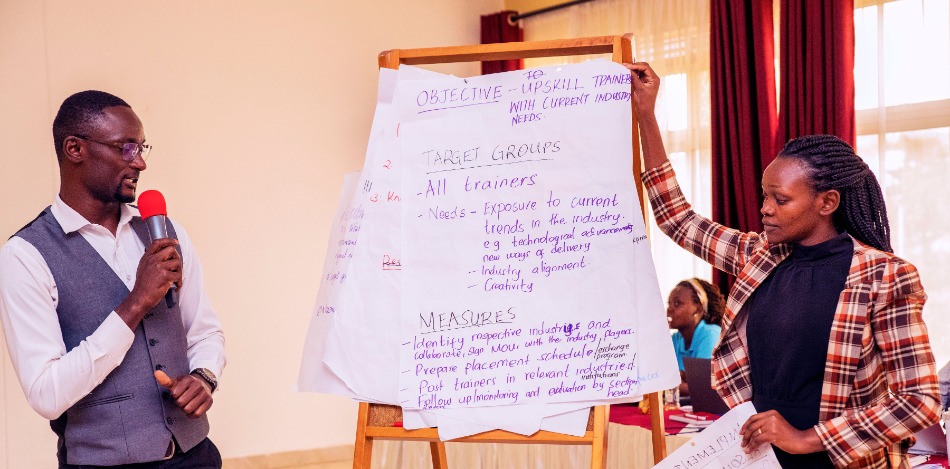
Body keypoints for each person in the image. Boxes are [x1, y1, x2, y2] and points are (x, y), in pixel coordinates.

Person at [626, 62, 941, 468]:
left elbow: (919, 400)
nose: (765, 209)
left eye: (780, 199)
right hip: (761, 459)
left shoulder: (885, 276)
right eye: (764, 196)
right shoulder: (759, 255)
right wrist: (646, 115)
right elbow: (678, 220)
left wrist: (808, 438)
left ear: (827, 202)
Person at [0, 90, 226, 468]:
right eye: (126, 148)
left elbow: (205, 331)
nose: (140, 162)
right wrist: (136, 302)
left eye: (142, 148)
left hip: (195, 456)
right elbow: (46, 394)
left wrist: (204, 376)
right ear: (75, 149)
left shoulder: (166, 232)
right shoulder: (25, 256)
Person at [667, 277, 724, 396]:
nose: (669, 309)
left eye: (677, 303)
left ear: (697, 309)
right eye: (669, 303)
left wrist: (669, 385)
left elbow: (703, 389)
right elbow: (659, 376)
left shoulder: (710, 334)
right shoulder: (676, 339)